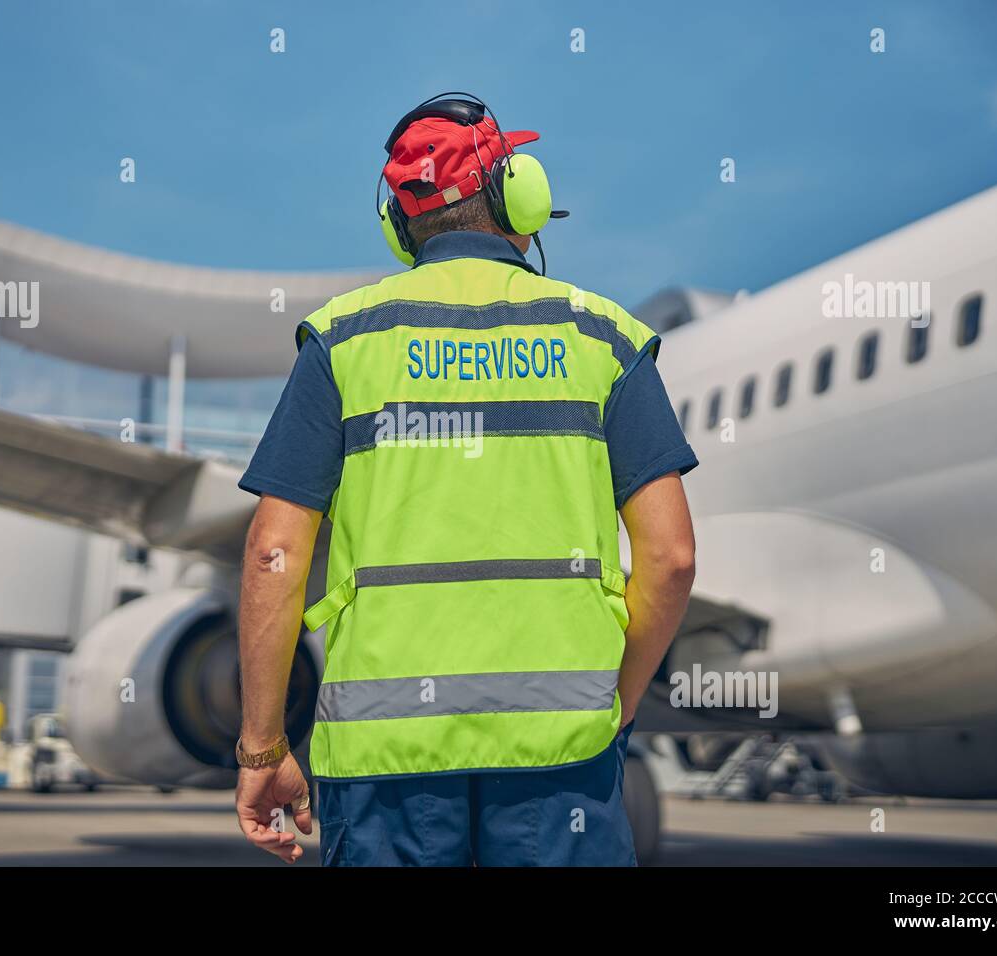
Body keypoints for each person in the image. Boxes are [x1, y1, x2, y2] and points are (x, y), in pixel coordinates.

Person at [234, 93, 697, 866]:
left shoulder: (343, 342)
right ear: (523, 195)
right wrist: (616, 701)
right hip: (561, 755)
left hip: (384, 764)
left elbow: (272, 556)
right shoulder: (604, 338)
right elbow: (672, 558)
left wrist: (261, 747)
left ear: (398, 225)